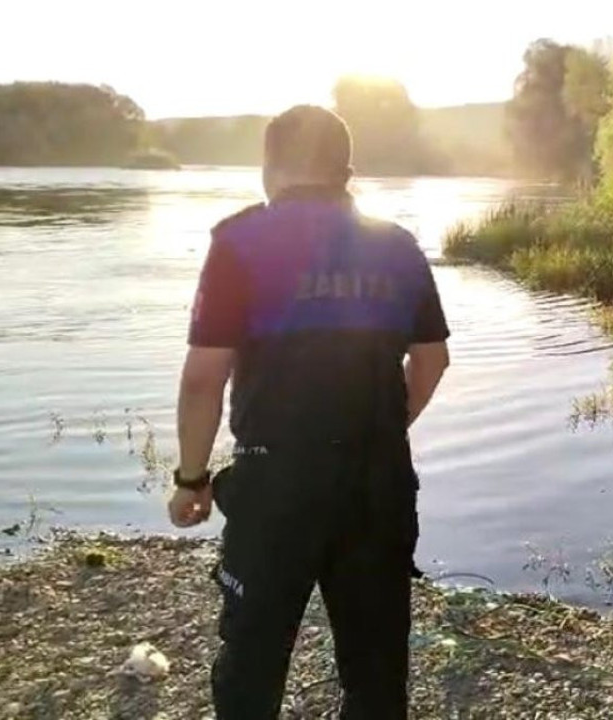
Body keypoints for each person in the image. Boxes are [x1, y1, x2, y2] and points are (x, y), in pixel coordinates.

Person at [167, 105, 450, 718]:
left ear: (270, 166)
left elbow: (203, 377)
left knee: (252, 661)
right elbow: (431, 362)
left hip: (276, 485)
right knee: (375, 670)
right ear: (345, 171)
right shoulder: (395, 246)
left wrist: (192, 479)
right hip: (378, 484)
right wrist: (381, 430)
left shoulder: (239, 240)